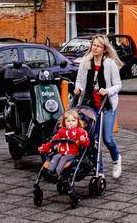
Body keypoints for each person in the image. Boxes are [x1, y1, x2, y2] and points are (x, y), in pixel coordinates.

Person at [73, 34, 123, 178]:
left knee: (107, 139)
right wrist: (78, 89)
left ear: (104, 49)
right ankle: (99, 171)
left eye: (98, 46)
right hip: (89, 108)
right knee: (92, 140)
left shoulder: (109, 63)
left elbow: (118, 85)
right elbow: (79, 81)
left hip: (106, 106)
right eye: (93, 45)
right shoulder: (85, 62)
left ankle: (116, 159)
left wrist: (107, 91)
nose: (95, 48)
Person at [39, 109, 90, 176]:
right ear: (64, 122)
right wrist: (45, 147)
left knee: (63, 159)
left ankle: (58, 173)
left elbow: (87, 143)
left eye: (73, 121)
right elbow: (54, 141)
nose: (70, 123)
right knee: (55, 157)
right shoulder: (61, 131)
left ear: (77, 121)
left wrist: (82, 140)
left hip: (72, 153)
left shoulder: (80, 131)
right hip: (61, 152)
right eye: (68, 121)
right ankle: (50, 171)